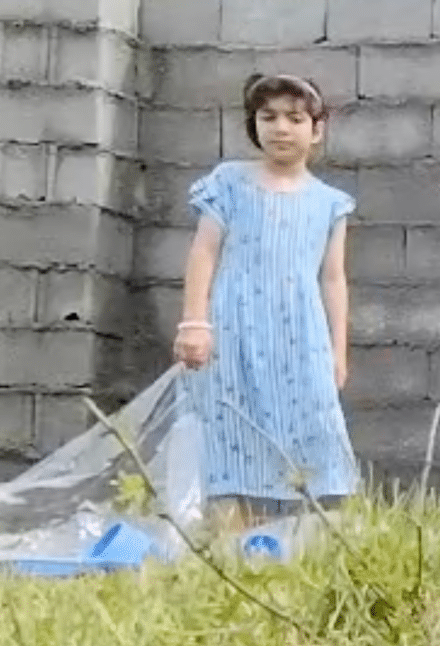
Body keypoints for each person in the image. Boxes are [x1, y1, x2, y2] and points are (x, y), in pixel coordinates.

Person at [172, 73, 359, 532]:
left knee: (313, 430)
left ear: (317, 129)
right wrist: (194, 323)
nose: (280, 128)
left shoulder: (330, 203)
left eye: (295, 119)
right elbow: (204, 251)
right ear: (253, 125)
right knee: (229, 429)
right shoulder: (230, 182)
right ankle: (225, 541)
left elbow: (333, 279)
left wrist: (338, 351)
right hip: (232, 332)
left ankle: (305, 540)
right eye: (268, 117)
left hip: (300, 336)